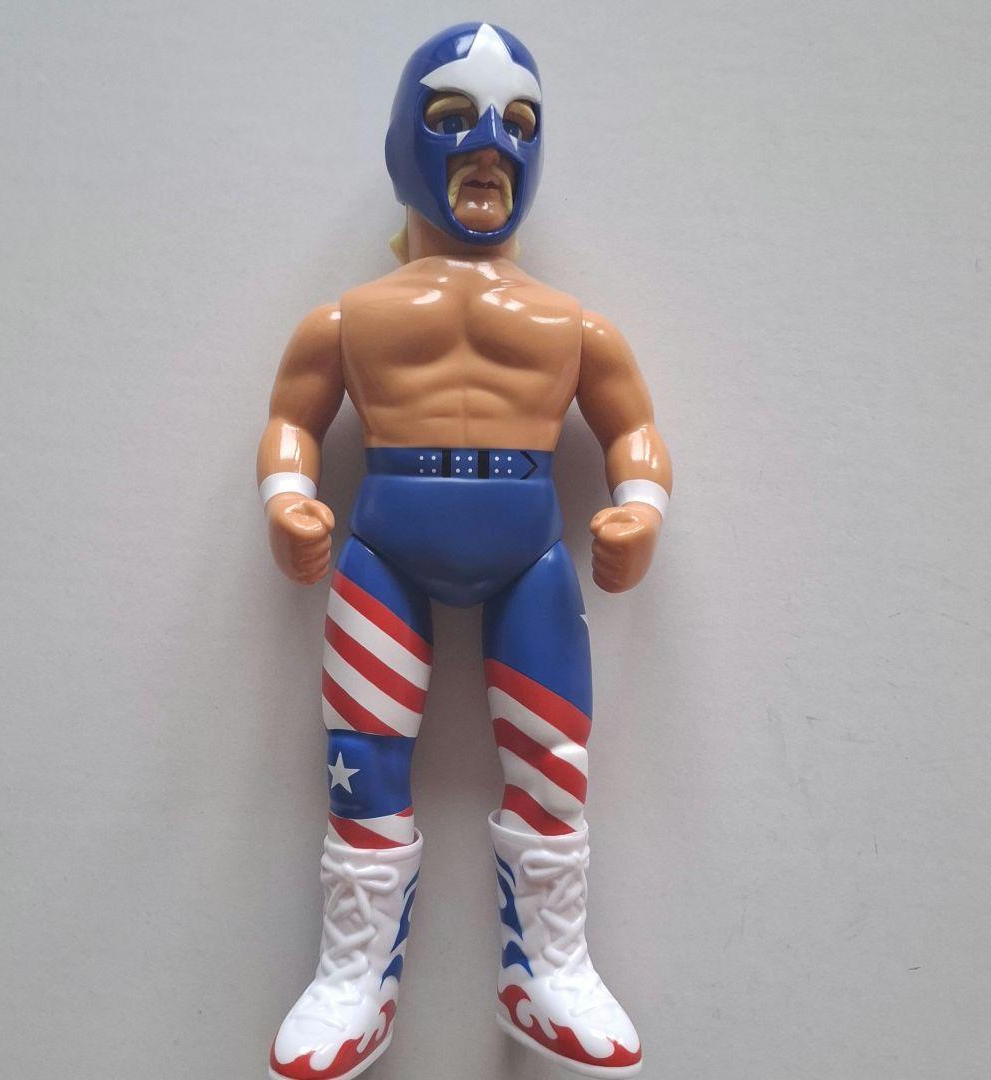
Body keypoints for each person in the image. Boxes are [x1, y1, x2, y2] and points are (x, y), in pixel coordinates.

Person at [259, 22, 671, 1080]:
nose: (491, 147)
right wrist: (288, 498)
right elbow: (293, 419)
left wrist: (639, 508)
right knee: (362, 762)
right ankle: (353, 978)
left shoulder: (572, 325)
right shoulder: (349, 319)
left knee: (555, 764)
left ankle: (549, 970)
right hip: (385, 549)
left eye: (518, 124)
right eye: (455, 120)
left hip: (527, 551)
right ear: (408, 141)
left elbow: (632, 429)